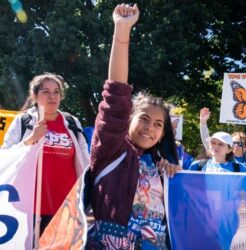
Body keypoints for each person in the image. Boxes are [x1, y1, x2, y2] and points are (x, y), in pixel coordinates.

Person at [86, 4, 181, 249]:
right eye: (144, 119)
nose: (150, 128)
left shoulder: (160, 166)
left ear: (163, 134)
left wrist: (172, 176)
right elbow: (116, 94)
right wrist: (122, 30)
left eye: (158, 124)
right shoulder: (111, 150)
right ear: (128, 119)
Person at [1, 72, 89, 234]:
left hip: (67, 208)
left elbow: (85, 160)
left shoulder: (71, 122)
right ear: (34, 96)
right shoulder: (23, 121)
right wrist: (31, 139)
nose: (52, 96)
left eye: (56, 92)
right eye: (45, 92)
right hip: (31, 208)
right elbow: (4, 157)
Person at [199, 107, 246, 172]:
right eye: (234, 143)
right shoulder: (218, 155)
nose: (235, 146)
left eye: (240, 144)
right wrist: (203, 123)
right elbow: (206, 139)